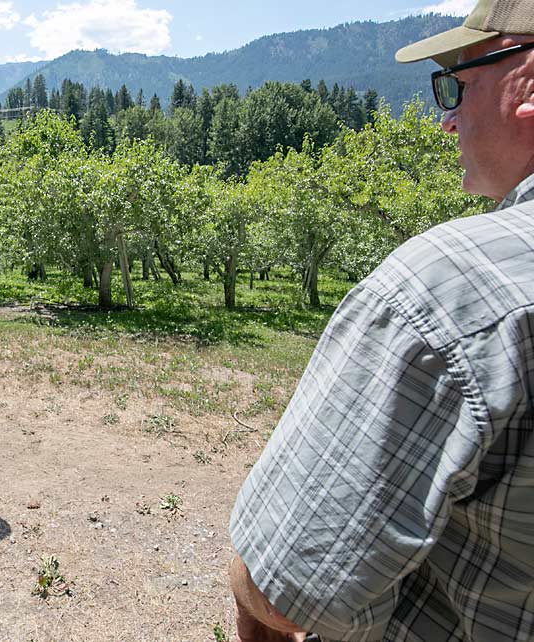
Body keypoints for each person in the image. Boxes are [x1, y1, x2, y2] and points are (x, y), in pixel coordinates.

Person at [227, 1, 534, 641]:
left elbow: (280, 589)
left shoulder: (453, 286)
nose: (447, 120)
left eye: (455, 84)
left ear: (526, 81)